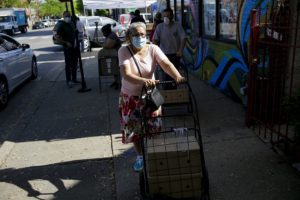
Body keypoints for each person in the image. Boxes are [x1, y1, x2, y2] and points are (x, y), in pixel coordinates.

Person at [118, 22, 185, 172]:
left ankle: (154, 153)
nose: (140, 37)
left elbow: (166, 64)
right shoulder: (123, 51)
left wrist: (177, 76)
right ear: (129, 37)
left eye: (142, 34)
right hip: (131, 97)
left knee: (154, 127)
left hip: (150, 97)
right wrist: (144, 81)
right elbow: (126, 74)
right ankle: (140, 156)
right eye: (136, 35)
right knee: (134, 131)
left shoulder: (153, 48)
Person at [153, 8, 186, 88]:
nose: (166, 17)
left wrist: (180, 50)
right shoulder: (160, 27)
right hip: (163, 56)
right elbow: (155, 40)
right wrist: (155, 53)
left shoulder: (177, 25)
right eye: (164, 16)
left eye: (168, 16)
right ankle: (166, 94)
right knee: (164, 77)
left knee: (174, 77)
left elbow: (183, 38)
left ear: (172, 16)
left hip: (175, 55)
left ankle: (173, 93)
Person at [54, 11, 80, 88]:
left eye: (69, 16)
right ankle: (69, 80)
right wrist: (65, 42)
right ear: (64, 16)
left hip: (74, 46)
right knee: (68, 65)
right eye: (66, 16)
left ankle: (74, 79)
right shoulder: (61, 25)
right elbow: (57, 37)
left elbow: (75, 33)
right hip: (67, 47)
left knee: (75, 63)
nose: (68, 17)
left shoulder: (71, 23)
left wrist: (76, 40)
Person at [100, 24, 122, 90]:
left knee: (116, 69)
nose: (103, 34)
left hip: (116, 54)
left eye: (103, 32)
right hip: (114, 54)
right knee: (114, 68)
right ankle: (116, 81)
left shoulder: (112, 36)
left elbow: (108, 45)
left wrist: (103, 45)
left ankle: (118, 83)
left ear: (106, 31)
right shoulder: (110, 35)